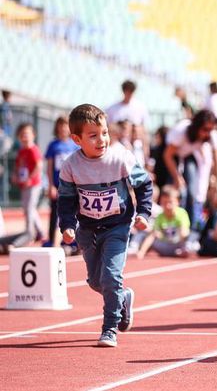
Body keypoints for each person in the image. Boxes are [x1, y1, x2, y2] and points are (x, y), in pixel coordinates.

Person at [58, 104, 152, 347]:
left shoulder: (120, 157)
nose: (102, 140)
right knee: (95, 282)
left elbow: (144, 185)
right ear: (77, 139)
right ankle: (123, 298)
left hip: (117, 227)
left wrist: (143, 213)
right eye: (93, 135)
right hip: (87, 229)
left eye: (105, 133)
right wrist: (67, 225)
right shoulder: (70, 166)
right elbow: (66, 200)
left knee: (111, 277)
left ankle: (110, 328)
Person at [164, 109, 217, 230]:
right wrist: (177, 177)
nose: (207, 134)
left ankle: (190, 228)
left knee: (193, 192)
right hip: (172, 157)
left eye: (210, 130)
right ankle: (171, 227)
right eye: (205, 130)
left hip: (189, 157)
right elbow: (167, 156)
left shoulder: (212, 135)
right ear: (197, 127)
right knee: (176, 193)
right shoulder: (181, 132)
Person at [44, 116, 79, 250]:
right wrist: (51, 185)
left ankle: (73, 240)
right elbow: (49, 167)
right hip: (58, 185)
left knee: (73, 211)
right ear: (57, 128)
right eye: (61, 125)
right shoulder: (53, 145)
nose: (63, 128)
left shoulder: (74, 145)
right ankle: (53, 240)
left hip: (71, 185)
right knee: (55, 213)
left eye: (66, 126)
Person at [137, 186, 193, 259]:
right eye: (164, 202)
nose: (167, 206)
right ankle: (142, 251)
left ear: (177, 202)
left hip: (178, 245)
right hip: (165, 245)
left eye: (170, 202)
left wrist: (182, 236)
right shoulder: (160, 216)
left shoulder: (182, 213)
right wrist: (142, 251)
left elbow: (184, 231)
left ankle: (183, 251)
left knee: (188, 234)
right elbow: (153, 234)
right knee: (151, 234)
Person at [12, 123, 45, 246]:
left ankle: (29, 232)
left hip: (33, 185)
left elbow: (39, 165)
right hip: (24, 185)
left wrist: (30, 179)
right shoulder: (22, 151)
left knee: (30, 208)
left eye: (26, 134)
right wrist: (15, 175)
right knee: (28, 208)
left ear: (33, 135)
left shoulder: (33, 149)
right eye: (22, 135)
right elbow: (18, 165)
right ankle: (40, 232)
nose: (24, 137)